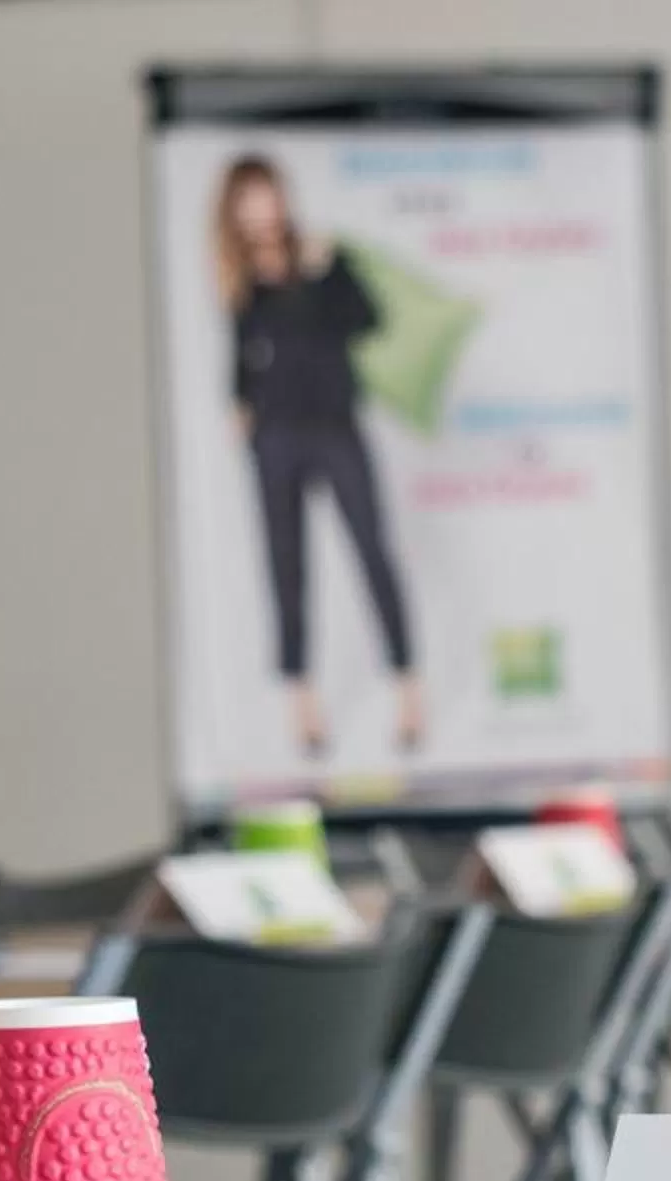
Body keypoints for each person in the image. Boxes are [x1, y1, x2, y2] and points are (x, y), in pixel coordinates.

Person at [213, 155, 422, 755]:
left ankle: (408, 689)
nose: (259, 211)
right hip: (275, 432)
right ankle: (303, 704)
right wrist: (239, 403)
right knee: (286, 564)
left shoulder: (322, 258)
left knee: (372, 551)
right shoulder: (241, 278)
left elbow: (368, 321)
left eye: (265, 196)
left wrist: (327, 273)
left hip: (334, 422)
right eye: (246, 201)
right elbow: (242, 350)